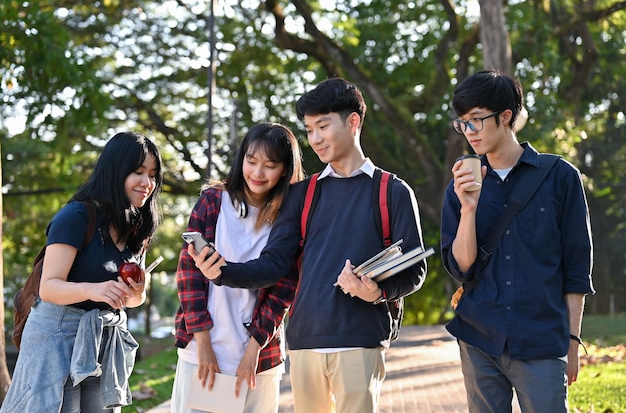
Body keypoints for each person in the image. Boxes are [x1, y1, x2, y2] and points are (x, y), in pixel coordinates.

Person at [190, 77, 427, 413]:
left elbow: (415, 268)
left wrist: (376, 293)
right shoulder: (302, 194)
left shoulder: (393, 191)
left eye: (322, 126)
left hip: (360, 340)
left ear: (353, 121)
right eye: (309, 129)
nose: (314, 138)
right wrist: (223, 271)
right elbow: (274, 266)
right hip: (303, 342)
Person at [440, 69, 595, 413]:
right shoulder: (463, 181)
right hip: (479, 338)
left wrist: (572, 341)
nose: (469, 132)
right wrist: (468, 209)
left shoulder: (559, 177)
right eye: (462, 122)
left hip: (541, 341)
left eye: (476, 120)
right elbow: (460, 266)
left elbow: (576, 268)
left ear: (506, 116)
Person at [1, 131, 163, 413]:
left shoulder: (138, 226)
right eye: (138, 172)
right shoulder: (77, 216)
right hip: (58, 336)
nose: (147, 183)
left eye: (152, 174)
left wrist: (137, 292)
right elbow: (48, 287)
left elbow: (134, 300)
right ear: (116, 171)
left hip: (104, 339)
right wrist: (93, 289)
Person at [170, 122, 305, 413]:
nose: (257, 173)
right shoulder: (213, 202)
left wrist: (253, 350)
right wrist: (203, 343)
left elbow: (283, 290)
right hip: (203, 352)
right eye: (251, 161)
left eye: (269, 165)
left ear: (284, 169)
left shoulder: (288, 217)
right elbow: (188, 275)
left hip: (258, 357)